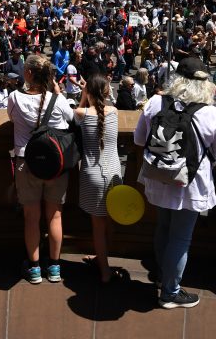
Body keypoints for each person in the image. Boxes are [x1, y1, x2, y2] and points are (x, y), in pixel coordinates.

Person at [134, 56, 216, 309]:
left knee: (164, 228)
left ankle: (160, 275)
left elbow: (138, 139)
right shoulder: (211, 113)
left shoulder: (156, 101)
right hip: (189, 183)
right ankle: (170, 292)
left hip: (159, 176)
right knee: (180, 238)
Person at [7, 54, 74, 284]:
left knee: (31, 218)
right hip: (56, 165)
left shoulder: (15, 98)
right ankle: (54, 267)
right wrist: (58, 93)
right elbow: (72, 118)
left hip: (26, 162)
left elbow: (11, 118)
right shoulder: (58, 100)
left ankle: (34, 268)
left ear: (28, 74)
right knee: (55, 215)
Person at [75, 74, 123, 283]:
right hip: (114, 173)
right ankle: (103, 259)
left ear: (89, 92)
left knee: (97, 226)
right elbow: (104, 107)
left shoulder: (81, 113)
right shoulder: (114, 112)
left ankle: (104, 271)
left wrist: (84, 96)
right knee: (110, 221)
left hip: (93, 175)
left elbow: (81, 111)